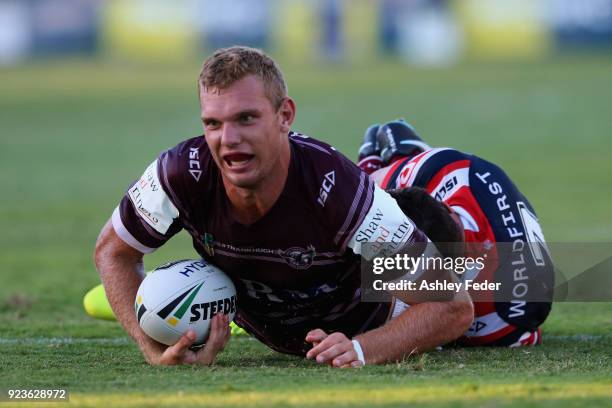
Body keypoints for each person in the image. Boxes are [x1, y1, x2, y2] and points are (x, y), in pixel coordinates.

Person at [93, 46, 473, 367]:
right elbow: (113, 252)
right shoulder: (180, 174)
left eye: (246, 119)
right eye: (213, 123)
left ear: (284, 116)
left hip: (381, 307)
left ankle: (406, 165)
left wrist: (360, 348)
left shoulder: (339, 192)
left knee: (512, 294)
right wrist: (151, 346)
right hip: (269, 309)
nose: (229, 140)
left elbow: (454, 306)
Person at [358, 120, 554, 346]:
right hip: (448, 179)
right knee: (382, 152)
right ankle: (388, 159)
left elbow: (433, 326)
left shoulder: (506, 313)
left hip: (497, 256)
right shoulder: (445, 169)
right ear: (447, 207)